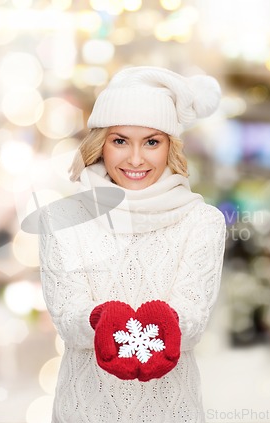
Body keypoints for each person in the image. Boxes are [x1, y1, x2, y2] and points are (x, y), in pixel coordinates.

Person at [39, 66, 226, 423]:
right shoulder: (61, 220)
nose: (136, 159)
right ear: (100, 144)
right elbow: (67, 314)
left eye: (152, 142)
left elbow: (194, 318)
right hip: (85, 410)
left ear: (170, 146)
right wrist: (98, 320)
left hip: (171, 411)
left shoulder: (202, 221)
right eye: (120, 140)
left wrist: (164, 323)